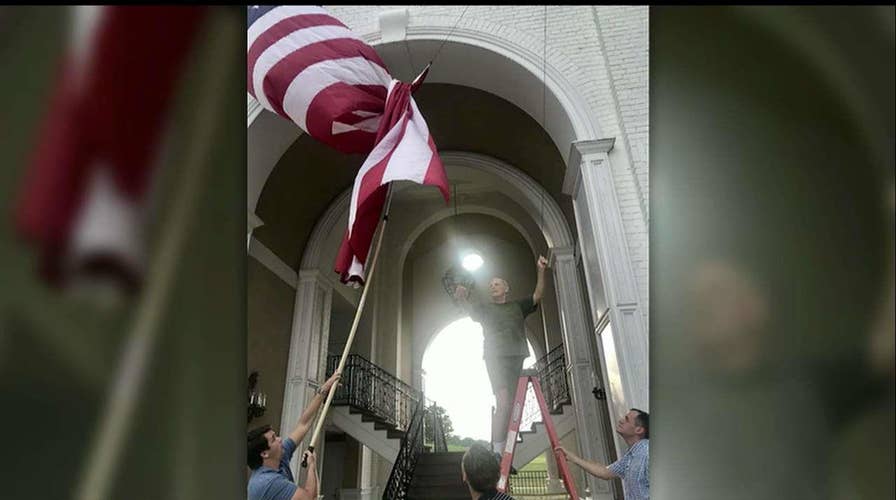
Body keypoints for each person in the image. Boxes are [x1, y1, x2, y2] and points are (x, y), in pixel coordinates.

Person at [454, 255, 548, 463]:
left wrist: (541, 270)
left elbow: (538, 294)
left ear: (506, 288)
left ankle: (506, 451)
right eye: (490, 285)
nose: (493, 286)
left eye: (497, 284)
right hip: (495, 357)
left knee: (513, 407)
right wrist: (461, 297)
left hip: (517, 355)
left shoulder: (518, 306)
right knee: (504, 403)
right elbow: (468, 307)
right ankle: (497, 451)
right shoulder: (485, 309)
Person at [247, 371, 341, 500]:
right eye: (274, 439)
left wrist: (325, 389)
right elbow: (309, 498)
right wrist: (311, 466)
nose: (280, 439)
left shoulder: (280, 457)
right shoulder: (267, 482)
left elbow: (303, 424)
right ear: (264, 454)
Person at [555, 408, 649, 500]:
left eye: (627, 420)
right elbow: (605, 472)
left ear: (639, 430)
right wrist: (573, 458)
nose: (621, 420)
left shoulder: (647, 453)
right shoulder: (630, 456)